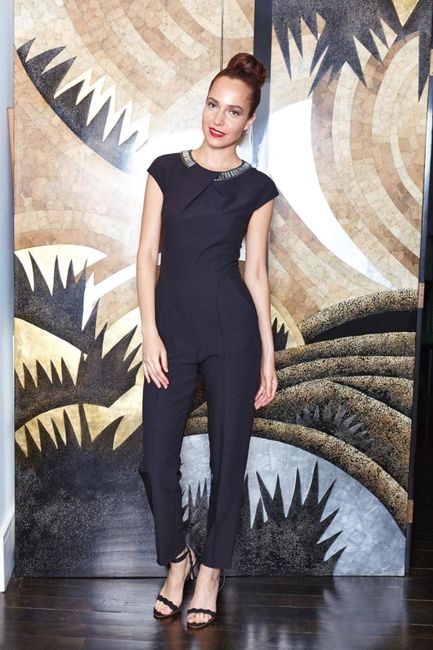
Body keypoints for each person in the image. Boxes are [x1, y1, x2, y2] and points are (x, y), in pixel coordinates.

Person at [136, 52, 279, 629]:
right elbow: (146, 255)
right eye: (213, 105)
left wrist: (268, 355)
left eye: (233, 111)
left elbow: (257, 273)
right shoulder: (164, 171)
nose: (219, 119)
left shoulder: (258, 188)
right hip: (170, 327)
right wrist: (149, 332)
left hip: (231, 330)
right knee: (155, 460)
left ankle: (212, 572)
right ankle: (178, 560)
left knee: (229, 456)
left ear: (250, 120)